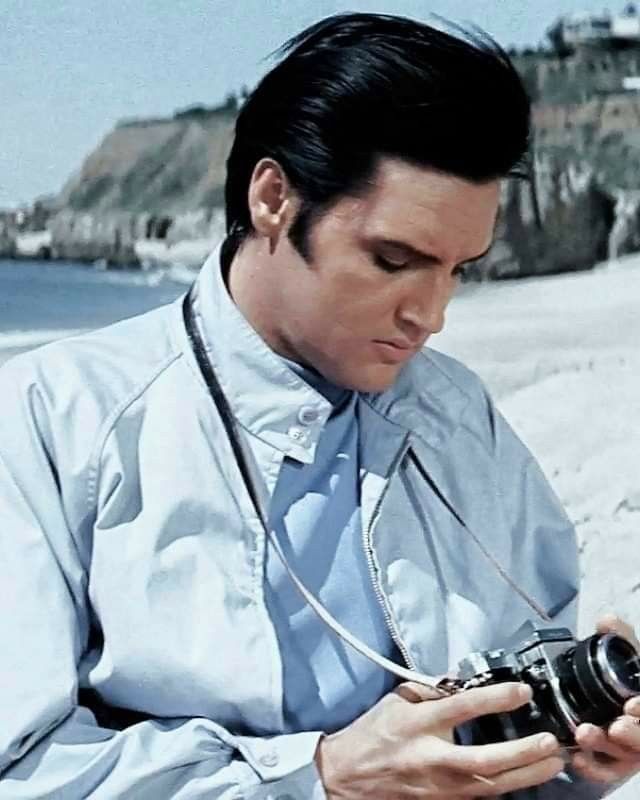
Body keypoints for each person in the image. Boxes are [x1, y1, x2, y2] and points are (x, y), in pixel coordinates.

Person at [0, 12, 638, 799]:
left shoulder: (455, 409)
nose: (430, 315)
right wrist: (320, 777)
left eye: (459, 271)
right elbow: (19, 769)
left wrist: (577, 755)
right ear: (274, 198)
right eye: (393, 260)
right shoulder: (53, 419)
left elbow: (522, 723)